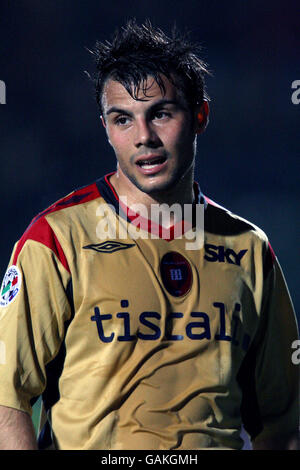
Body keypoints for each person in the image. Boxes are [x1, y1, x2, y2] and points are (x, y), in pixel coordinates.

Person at [0, 20, 298, 451]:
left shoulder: (250, 251)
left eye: (161, 113)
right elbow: (7, 402)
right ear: (105, 127)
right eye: (123, 119)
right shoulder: (55, 240)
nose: (144, 138)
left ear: (200, 116)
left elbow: (284, 423)